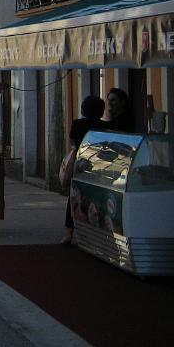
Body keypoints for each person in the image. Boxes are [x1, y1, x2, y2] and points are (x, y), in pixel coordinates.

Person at [62, 95, 105, 245]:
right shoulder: (105, 126)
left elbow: (73, 144)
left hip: (81, 164)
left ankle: (69, 232)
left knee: (74, 197)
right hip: (99, 165)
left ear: (83, 109)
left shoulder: (78, 124)